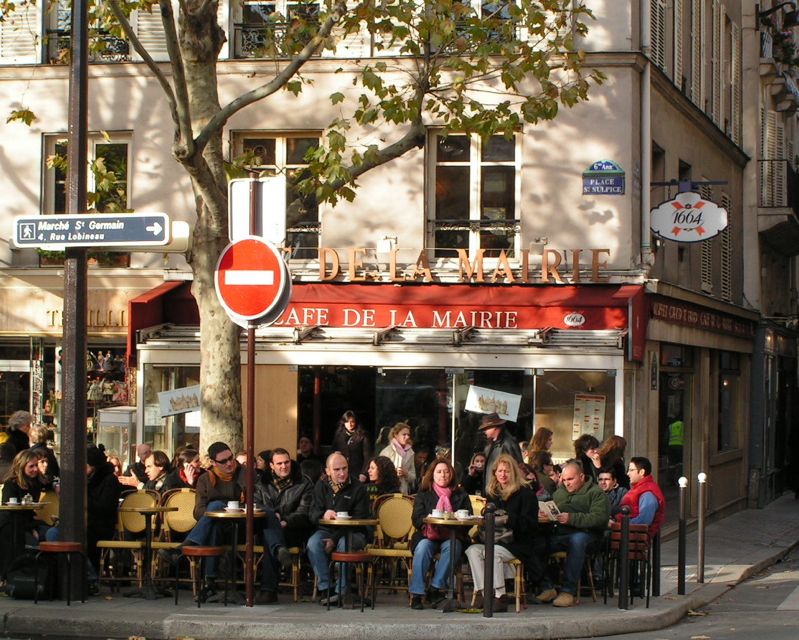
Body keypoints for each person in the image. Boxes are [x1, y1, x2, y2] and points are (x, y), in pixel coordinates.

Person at [161, 441, 246, 598]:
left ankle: (186, 548)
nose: (229, 463)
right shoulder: (205, 479)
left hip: (238, 526)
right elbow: (198, 512)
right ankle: (210, 582)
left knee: (215, 507)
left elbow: (250, 502)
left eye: (231, 458)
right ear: (213, 462)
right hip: (215, 526)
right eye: (223, 461)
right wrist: (216, 512)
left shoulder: (243, 474)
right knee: (214, 516)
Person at [465, 453, 541, 613]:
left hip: (517, 542)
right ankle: (484, 593)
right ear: (494, 473)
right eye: (499, 471)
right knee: (472, 550)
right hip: (493, 539)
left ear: (514, 472)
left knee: (492, 552)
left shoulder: (526, 494)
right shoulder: (493, 494)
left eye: (506, 471)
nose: (503, 475)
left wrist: (508, 519)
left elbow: (531, 525)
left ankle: (500, 596)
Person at [538, 459, 610, 608]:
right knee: (537, 542)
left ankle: (568, 591)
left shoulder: (596, 493)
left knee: (577, 541)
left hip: (588, 536)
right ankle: (546, 586)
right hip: (561, 533)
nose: (566, 483)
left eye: (570, 479)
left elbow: (599, 518)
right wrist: (547, 516)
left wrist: (571, 518)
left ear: (582, 477)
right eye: (564, 480)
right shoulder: (559, 493)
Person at [306, 452, 370, 606]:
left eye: (344, 468)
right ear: (327, 471)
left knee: (343, 544)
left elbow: (360, 519)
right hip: (327, 530)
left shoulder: (358, 488)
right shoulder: (321, 486)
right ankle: (326, 589)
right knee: (313, 544)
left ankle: (342, 591)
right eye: (337, 470)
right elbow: (312, 513)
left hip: (354, 532)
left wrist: (334, 540)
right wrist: (323, 513)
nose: (342, 473)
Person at [409, 458, 472, 610]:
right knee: (423, 548)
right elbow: (416, 519)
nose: (443, 475)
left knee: (453, 546)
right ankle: (417, 594)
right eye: (439, 472)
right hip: (428, 535)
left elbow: (469, 518)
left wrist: (456, 518)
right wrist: (429, 521)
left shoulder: (460, 494)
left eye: (446, 471)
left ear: (451, 474)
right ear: (432, 475)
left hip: (452, 534)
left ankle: (435, 589)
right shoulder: (424, 494)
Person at [253, 448, 314, 604]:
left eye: (286, 462)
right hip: (265, 528)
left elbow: (304, 512)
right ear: (271, 466)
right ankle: (279, 550)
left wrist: (285, 520)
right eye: (279, 463)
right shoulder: (261, 483)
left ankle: (268, 591)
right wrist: (273, 517)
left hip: (293, 530)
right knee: (268, 522)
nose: (284, 466)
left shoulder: (304, 482)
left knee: (270, 538)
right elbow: (256, 507)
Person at [0, 449, 46, 579]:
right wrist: (31, 528)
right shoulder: (11, 484)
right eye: (31, 466)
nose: (35, 469)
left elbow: (29, 511)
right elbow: (9, 509)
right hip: (11, 522)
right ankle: (10, 575)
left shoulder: (35, 483)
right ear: (22, 466)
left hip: (26, 522)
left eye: (36, 465)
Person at [618, 457, 666, 536]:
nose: (628, 473)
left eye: (631, 470)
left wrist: (618, 524)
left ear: (641, 472)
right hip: (628, 534)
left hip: (631, 537)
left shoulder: (647, 494)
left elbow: (644, 520)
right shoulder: (641, 489)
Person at [480, 413, 523, 490]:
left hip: (503, 492)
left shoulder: (508, 443)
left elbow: (517, 467)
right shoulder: (491, 445)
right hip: (494, 490)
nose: (484, 431)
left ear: (494, 427)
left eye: (486, 428)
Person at [331, 410, 372, 483]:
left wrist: (364, 473)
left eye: (352, 421)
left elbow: (367, 457)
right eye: (347, 422)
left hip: (357, 472)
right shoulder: (338, 435)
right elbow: (333, 452)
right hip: (342, 472)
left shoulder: (362, 436)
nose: (350, 424)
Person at [378, 422, 416, 494]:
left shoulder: (411, 453)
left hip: (404, 492)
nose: (407, 437)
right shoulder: (386, 452)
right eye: (404, 434)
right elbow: (379, 474)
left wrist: (406, 473)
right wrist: (393, 473)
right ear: (395, 435)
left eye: (408, 435)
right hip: (388, 492)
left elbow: (413, 477)